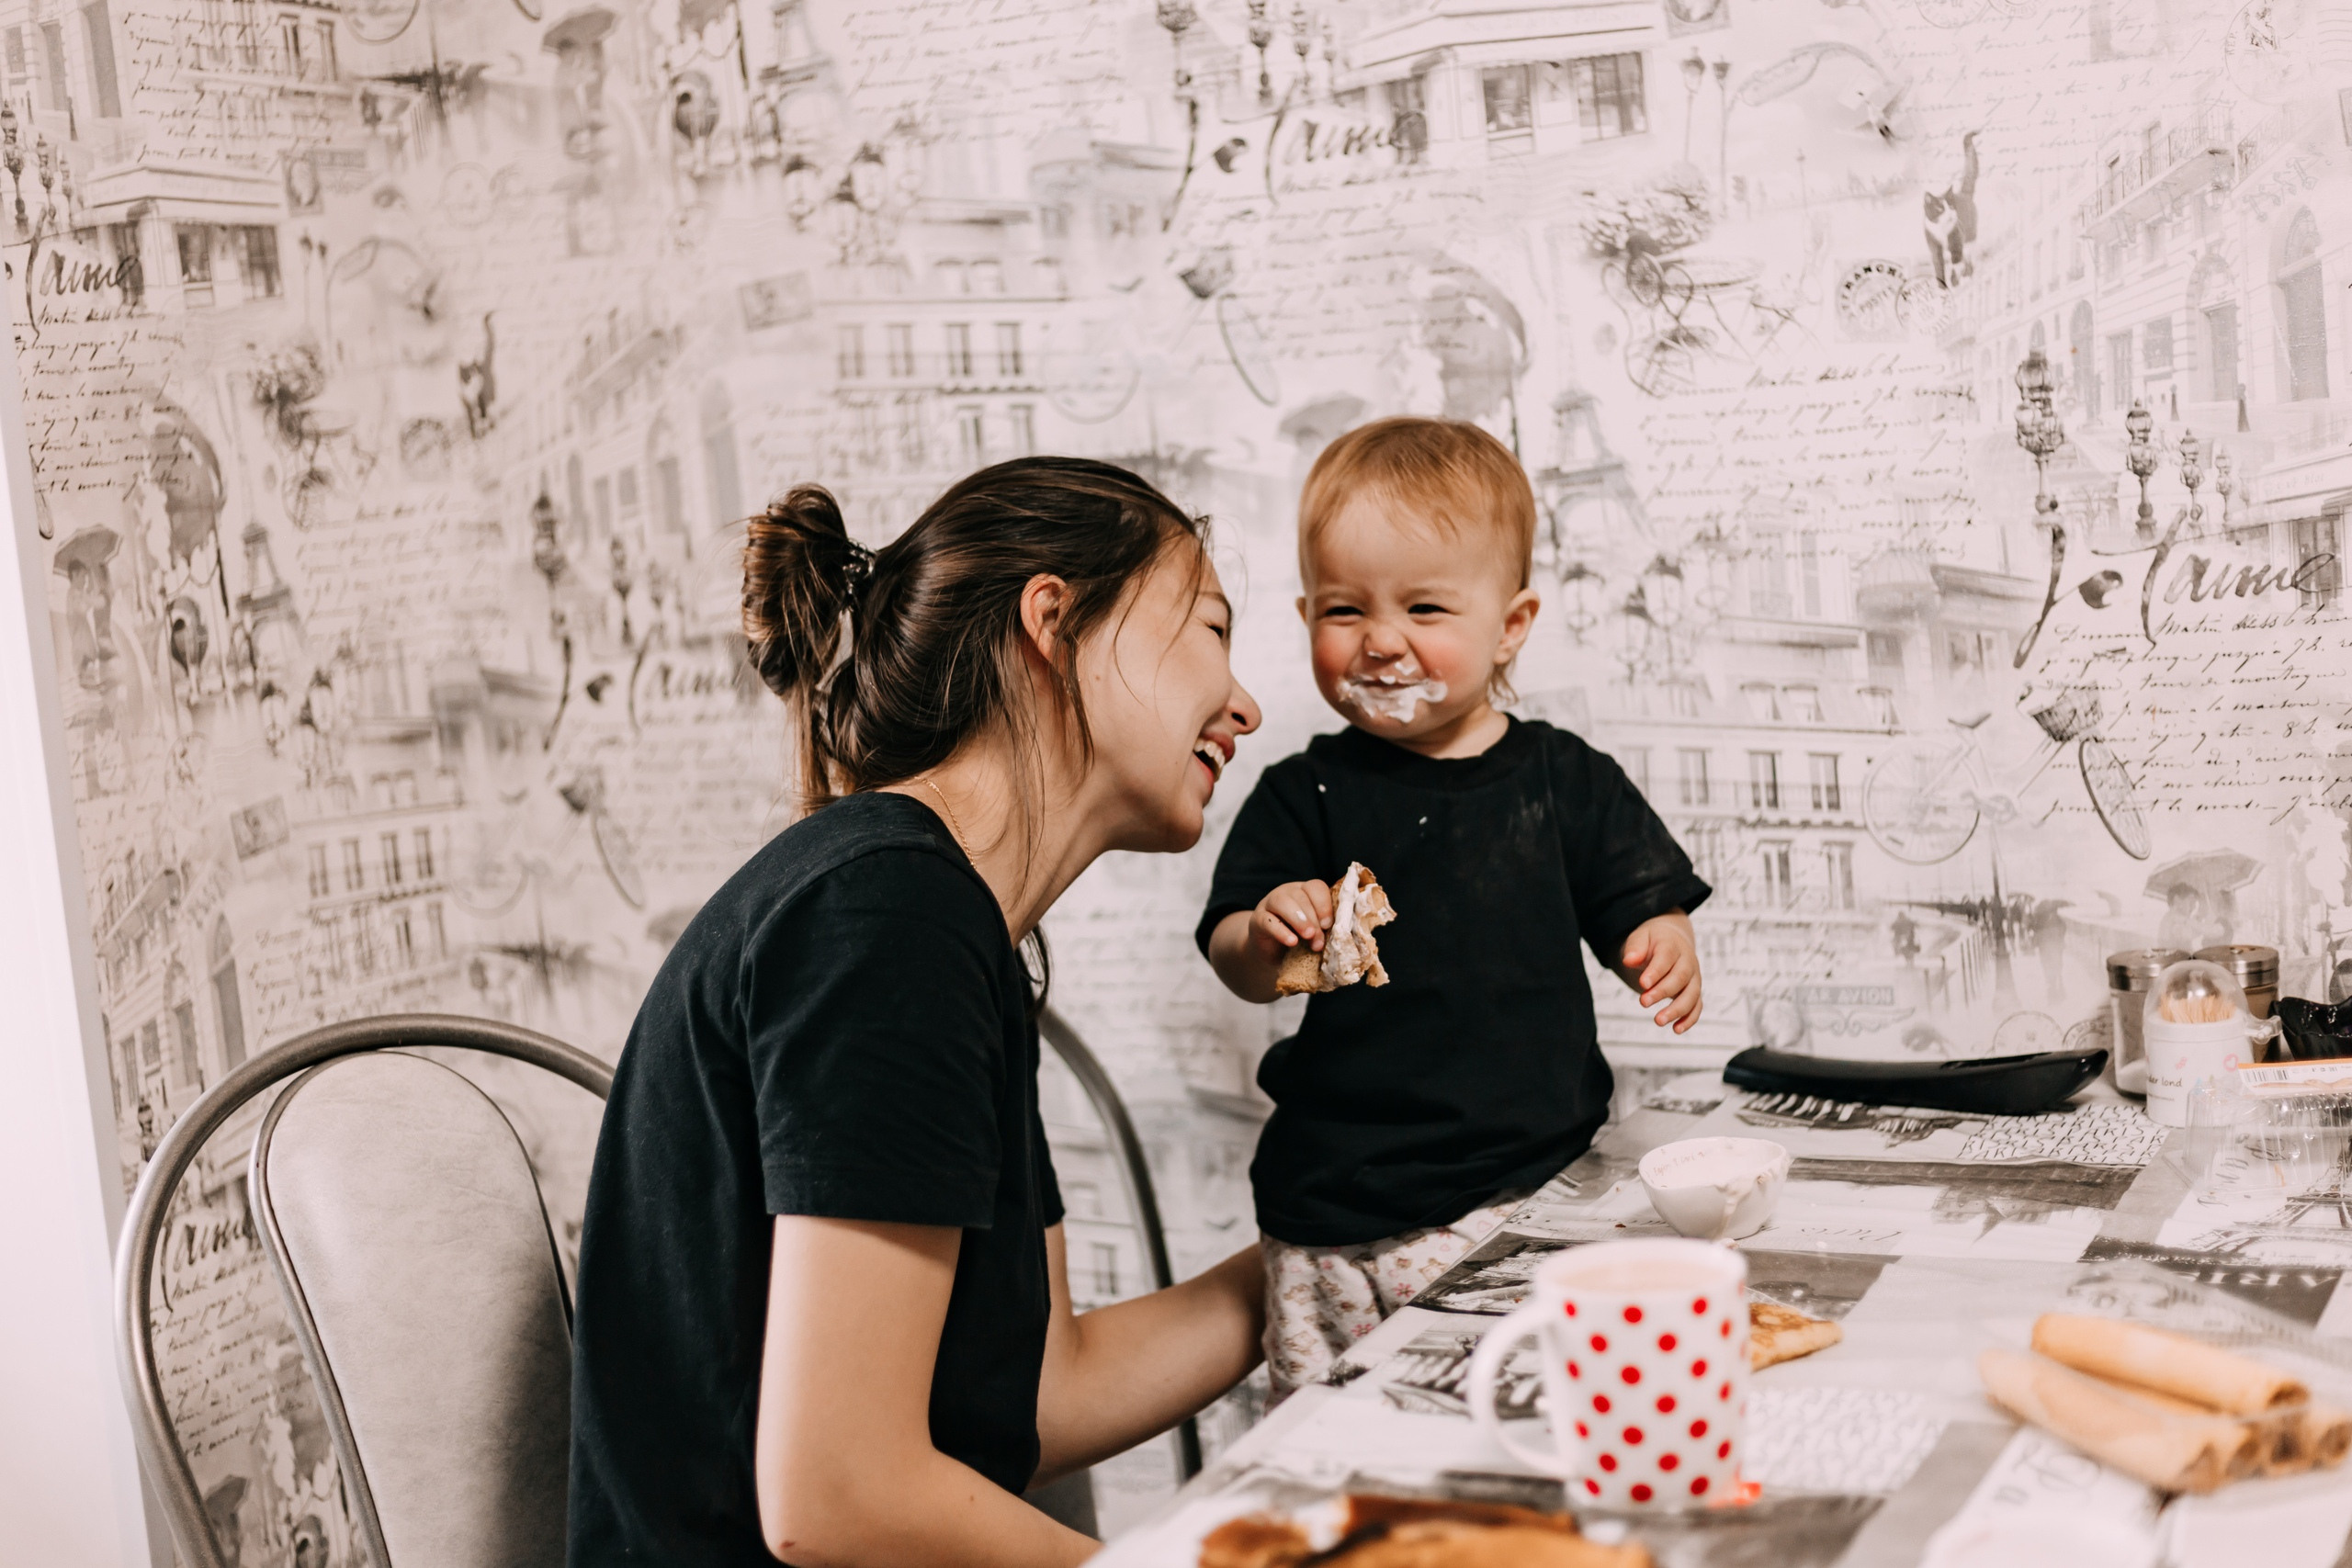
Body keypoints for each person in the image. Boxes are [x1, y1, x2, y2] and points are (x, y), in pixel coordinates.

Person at [569, 458, 1267, 1567]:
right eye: (1209, 628)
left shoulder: (948, 926)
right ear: (1056, 620)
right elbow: (835, 1494)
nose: (1244, 702)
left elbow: (1044, 1394)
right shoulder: (887, 915)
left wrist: (1322, 1249)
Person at [1197, 417, 1712, 1399]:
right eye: (1343, 610)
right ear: (1307, 613)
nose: (1380, 640)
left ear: (1510, 624)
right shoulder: (1302, 793)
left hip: (1529, 1189)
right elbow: (1234, 954)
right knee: (1332, 1433)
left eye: (1424, 608)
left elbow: (1635, 901)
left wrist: (1661, 937)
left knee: (1525, 1416)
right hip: (1336, 1211)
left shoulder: (1562, 779)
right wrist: (1268, 931)